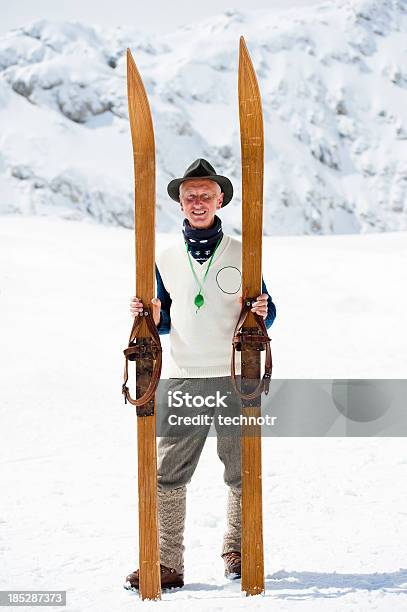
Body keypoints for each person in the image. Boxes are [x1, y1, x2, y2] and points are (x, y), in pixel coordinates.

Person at [124, 159, 276, 591]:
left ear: (220, 199)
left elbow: (268, 308)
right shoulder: (164, 257)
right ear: (179, 202)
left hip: (236, 377)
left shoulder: (243, 252)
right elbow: (167, 318)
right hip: (186, 376)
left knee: (242, 470)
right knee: (168, 472)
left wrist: (264, 311)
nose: (197, 202)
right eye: (189, 195)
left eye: (205, 195)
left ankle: (239, 550)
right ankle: (167, 562)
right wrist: (150, 315)